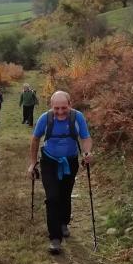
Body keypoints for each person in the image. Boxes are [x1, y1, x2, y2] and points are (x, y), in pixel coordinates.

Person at [26, 91, 93, 255]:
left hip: (70, 162)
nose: (61, 112)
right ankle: (55, 238)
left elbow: (85, 138)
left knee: (65, 194)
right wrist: (32, 163)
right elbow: (35, 140)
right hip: (49, 162)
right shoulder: (45, 118)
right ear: (51, 106)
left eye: (64, 108)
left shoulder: (77, 118)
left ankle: (64, 222)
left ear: (70, 104)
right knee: (53, 197)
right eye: (57, 108)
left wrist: (87, 152)